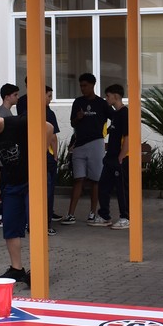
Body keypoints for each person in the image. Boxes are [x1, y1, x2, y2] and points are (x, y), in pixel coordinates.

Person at [0, 103, 57, 286]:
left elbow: (48, 128)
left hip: (34, 181)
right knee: (9, 225)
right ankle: (17, 269)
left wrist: (38, 155)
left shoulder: (19, 123)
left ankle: (38, 270)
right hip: (11, 184)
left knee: (35, 224)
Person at [63, 73, 108, 224]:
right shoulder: (78, 102)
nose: (82, 88)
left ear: (93, 85)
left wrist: (108, 132)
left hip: (96, 144)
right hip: (79, 145)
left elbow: (114, 117)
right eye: (81, 86)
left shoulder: (101, 103)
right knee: (78, 179)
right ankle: (70, 214)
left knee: (95, 180)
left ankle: (92, 213)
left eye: (85, 86)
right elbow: (72, 123)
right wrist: (78, 118)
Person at [17, 84, 62, 225]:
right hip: (46, 156)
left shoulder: (27, 112)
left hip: (30, 156)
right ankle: (46, 223)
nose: (50, 99)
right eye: (49, 96)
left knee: (31, 190)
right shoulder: (48, 113)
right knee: (47, 191)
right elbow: (53, 137)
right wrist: (55, 155)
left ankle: (29, 221)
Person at [96, 84, 129, 229]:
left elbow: (128, 137)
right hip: (110, 157)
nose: (106, 98)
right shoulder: (115, 114)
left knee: (122, 189)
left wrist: (121, 156)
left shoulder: (125, 113)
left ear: (115, 96)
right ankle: (104, 216)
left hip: (119, 158)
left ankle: (125, 217)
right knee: (103, 185)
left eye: (108, 96)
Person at [0, 83, 20, 227]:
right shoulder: (3, 114)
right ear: (7, 97)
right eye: (15, 95)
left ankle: (2, 213)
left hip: (5, 158)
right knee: (4, 186)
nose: (17, 97)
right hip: (3, 160)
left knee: (5, 186)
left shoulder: (6, 113)